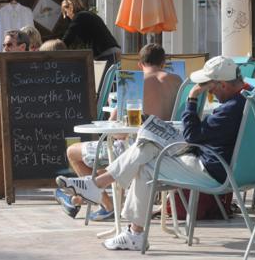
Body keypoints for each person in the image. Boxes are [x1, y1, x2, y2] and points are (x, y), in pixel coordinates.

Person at [56, 56, 246, 250]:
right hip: (227, 166)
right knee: (150, 140)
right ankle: (97, 187)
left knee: (145, 165)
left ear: (222, 84)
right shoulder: (248, 99)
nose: (208, 90)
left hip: (212, 170)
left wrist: (192, 98)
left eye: (210, 86)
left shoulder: (229, 110)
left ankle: (131, 229)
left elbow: (192, 136)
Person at [54, 44, 182, 220]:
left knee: (72, 152)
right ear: (164, 62)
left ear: (139, 64)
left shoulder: (134, 82)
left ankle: (107, 205)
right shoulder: (178, 81)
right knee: (110, 162)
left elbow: (114, 131)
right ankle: (77, 197)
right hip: (168, 150)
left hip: (136, 148)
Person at [0, 29, 30, 162]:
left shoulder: (32, 65)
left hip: (32, 117)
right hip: (11, 116)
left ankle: (5, 171)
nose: (5, 49)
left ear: (22, 47)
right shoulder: (6, 66)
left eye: (9, 45)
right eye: (4, 45)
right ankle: (3, 171)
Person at [60, 0, 121, 87]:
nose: (67, 15)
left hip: (107, 54)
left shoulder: (80, 17)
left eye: (66, 12)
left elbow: (68, 37)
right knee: (109, 89)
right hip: (110, 53)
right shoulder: (87, 15)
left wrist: (56, 48)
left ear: (70, 8)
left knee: (105, 90)